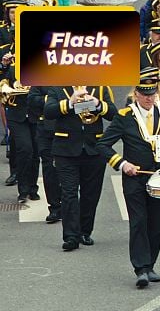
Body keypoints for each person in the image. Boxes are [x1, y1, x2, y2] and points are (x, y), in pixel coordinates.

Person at [96, 67, 160, 288]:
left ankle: (151, 264)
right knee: (138, 221)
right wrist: (122, 164)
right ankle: (140, 268)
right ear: (136, 94)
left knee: (155, 223)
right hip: (135, 177)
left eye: (152, 94)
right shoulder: (125, 116)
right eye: (144, 94)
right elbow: (102, 144)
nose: (149, 98)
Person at [44, 84, 117, 250]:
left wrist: (97, 103)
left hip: (93, 149)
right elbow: (48, 112)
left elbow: (114, 114)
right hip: (65, 149)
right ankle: (71, 236)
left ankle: (85, 231)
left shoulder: (100, 87)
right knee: (69, 193)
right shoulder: (57, 87)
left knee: (90, 194)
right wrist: (70, 103)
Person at [1, 55, 39, 204]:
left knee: (36, 153)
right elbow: (3, 80)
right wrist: (4, 65)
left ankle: (33, 188)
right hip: (17, 116)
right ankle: (23, 190)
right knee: (25, 149)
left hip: (36, 115)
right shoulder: (12, 68)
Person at [28, 85, 61, 223]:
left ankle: (70, 205)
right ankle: (54, 207)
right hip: (46, 130)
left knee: (70, 169)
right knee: (49, 170)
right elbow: (32, 99)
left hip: (70, 129)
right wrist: (52, 99)